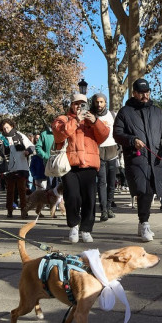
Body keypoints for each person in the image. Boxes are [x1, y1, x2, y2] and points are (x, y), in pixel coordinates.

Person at [113, 78, 162, 242]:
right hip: (136, 158)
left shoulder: (157, 111)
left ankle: (142, 221)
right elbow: (117, 134)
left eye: (147, 92)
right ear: (134, 93)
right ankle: (145, 223)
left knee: (151, 191)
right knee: (143, 190)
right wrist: (132, 140)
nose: (144, 95)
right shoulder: (125, 112)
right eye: (141, 92)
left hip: (154, 158)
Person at [53, 92, 109, 243]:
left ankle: (86, 229)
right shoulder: (63, 119)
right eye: (76, 103)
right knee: (72, 196)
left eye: (82, 103)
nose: (79, 106)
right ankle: (73, 226)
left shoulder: (91, 120)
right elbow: (59, 135)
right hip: (69, 165)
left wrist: (95, 122)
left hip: (89, 164)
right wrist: (76, 120)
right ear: (71, 105)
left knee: (89, 199)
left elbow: (104, 136)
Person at [0, 118, 34, 218]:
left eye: (7, 128)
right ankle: (9, 210)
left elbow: (31, 146)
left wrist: (28, 152)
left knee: (22, 190)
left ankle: (24, 210)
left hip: (21, 166)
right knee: (10, 191)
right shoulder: (1, 138)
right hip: (8, 168)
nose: (6, 130)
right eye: (3, 128)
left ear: (12, 126)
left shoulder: (19, 135)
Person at [90, 93, 119, 221]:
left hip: (112, 150)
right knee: (102, 182)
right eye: (97, 102)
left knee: (112, 182)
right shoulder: (91, 115)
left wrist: (120, 147)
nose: (99, 104)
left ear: (106, 102)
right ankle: (103, 210)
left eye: (101, 102)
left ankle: (109, 206)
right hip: (98, 151)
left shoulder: (112, 115)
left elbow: (118, 131)